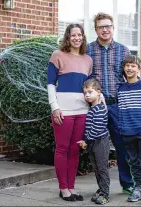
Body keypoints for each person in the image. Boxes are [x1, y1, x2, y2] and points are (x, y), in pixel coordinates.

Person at [86, 12, 141, 194]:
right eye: (101, 26)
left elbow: (132, 74)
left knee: (123, 146)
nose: (105, 29)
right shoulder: (88, 50)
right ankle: (102, 187)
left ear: (113, 28)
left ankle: (128, 183)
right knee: (97, 148)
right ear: (96, 30)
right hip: (98, 107)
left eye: (108, 26)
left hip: (118, 106)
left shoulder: (123, 51)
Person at [47, 23, 92, 202]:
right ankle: (63, 188)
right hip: (63, 110)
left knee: (75, 150)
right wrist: (54, 107)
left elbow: (88, 87)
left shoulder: (88, 60)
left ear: (83, 37)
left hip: (82, 110)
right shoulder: (57, 55)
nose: (77, 38)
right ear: (68, 37)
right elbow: (51, 83)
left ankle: (71, 187)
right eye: (73, 35)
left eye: (80, 35)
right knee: (62, 149)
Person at [118, 55, 141, 205]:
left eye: (133, 65)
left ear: (139, 69)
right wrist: (121, 127)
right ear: (124, 69)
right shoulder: (121, 89)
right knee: (133, 162)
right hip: (127, 132)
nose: (129, 68)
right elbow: (121, 111)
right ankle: (138, 188)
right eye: (127, 65)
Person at [77, 78, 110, 205]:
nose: (87, 95)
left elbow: (96, 128)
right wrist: (85, 140)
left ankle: (105, 194)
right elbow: (89, 128)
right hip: (92, 142)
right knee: (96, 168)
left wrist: (86, 141)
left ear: (98, 92)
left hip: (100, 142)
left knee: (102, 169)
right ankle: (101, 189)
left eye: (90, 92)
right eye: (85, 93)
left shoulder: (99, 108)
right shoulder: (92, 108)